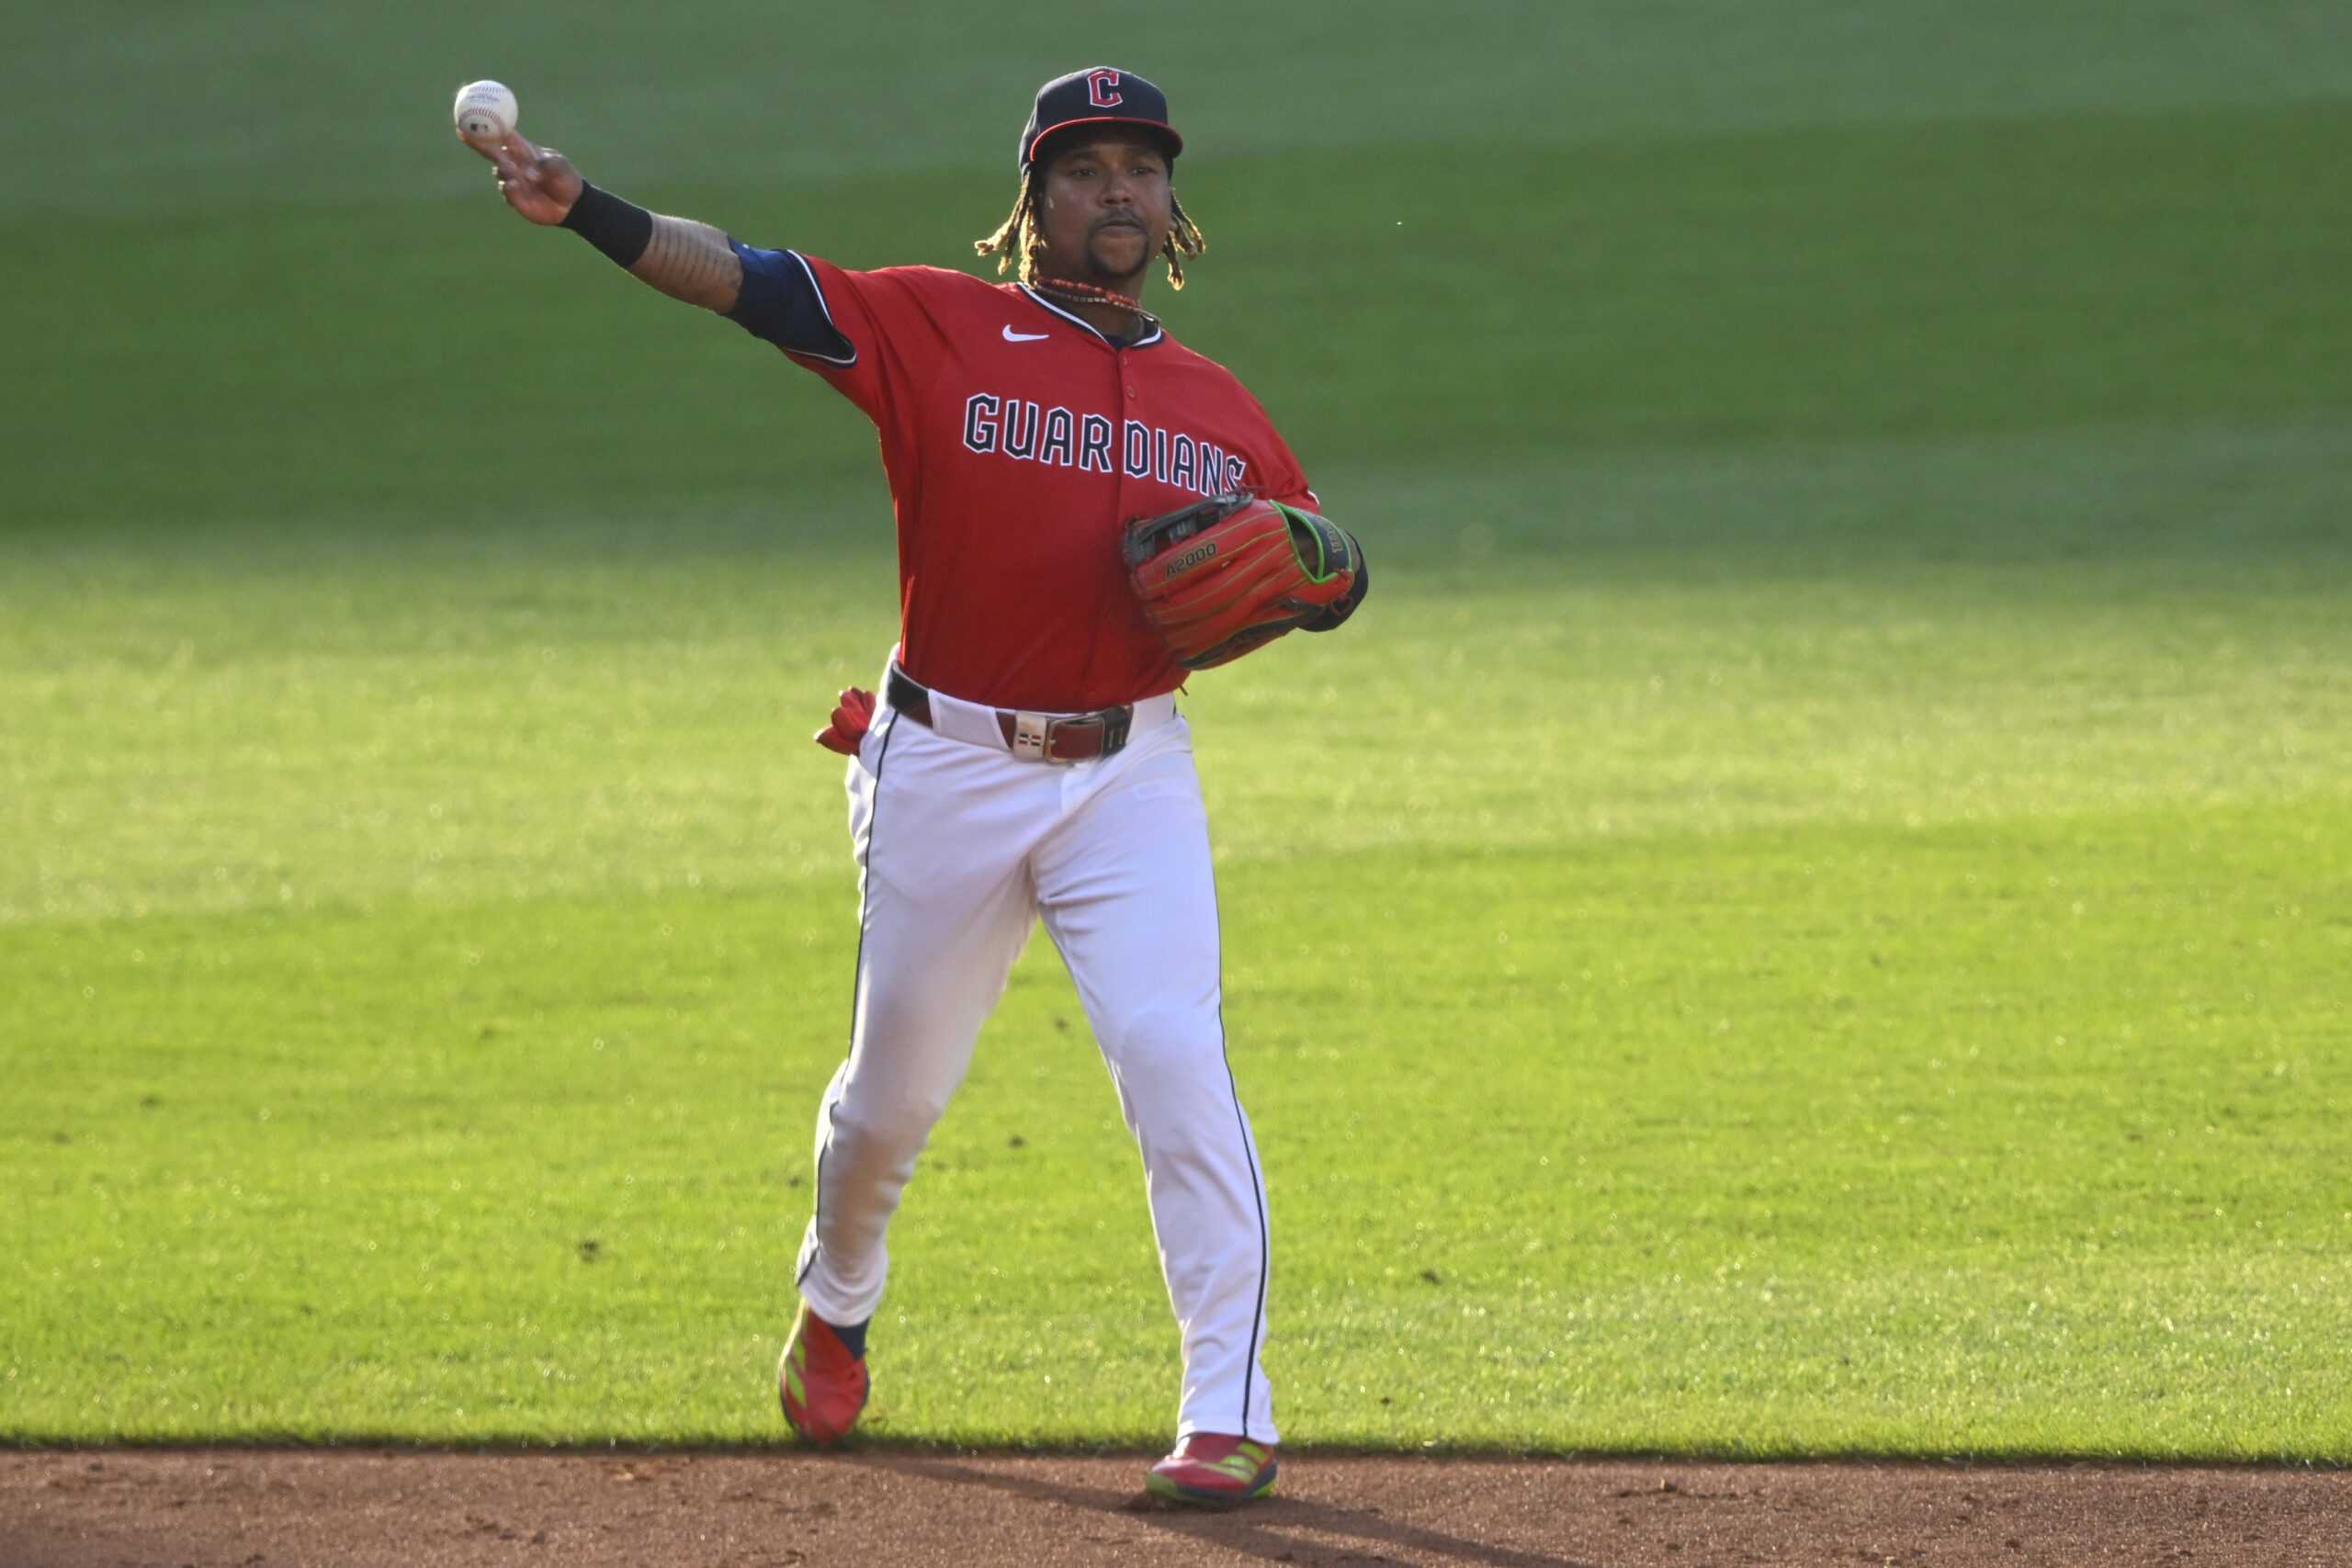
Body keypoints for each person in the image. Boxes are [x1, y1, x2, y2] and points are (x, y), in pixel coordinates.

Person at [464, 65, 1366, 1506]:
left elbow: (1308, 556)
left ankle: (1226, 1407)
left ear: (1171, 201)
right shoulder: (936, 322)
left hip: (1130, 774)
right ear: (1035, 204)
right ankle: (840, 1292)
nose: (1117, 190)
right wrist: (591, 211)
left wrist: (1337, 571)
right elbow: (748, 283)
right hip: (944, 764)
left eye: (1141, 166)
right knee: (888, 1104)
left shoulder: (1215, 402)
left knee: (1172, 1051)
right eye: (1084, 170)